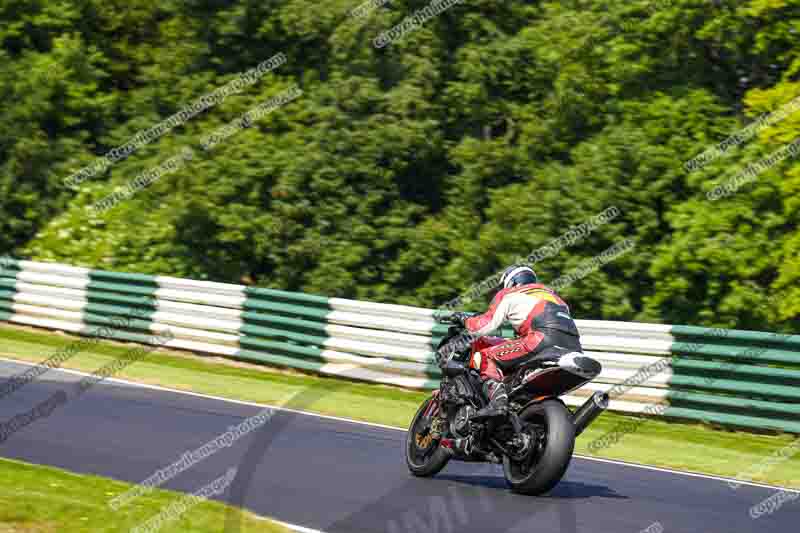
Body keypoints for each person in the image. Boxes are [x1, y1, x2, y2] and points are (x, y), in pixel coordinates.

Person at [450, 265, 583, 420]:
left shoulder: (510, 293)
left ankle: (498, 403)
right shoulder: (554, 296)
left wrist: (465, 320)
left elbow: (483, 326)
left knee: (484, 357)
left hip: (540, 339)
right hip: (573, 348)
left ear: (511, 282)